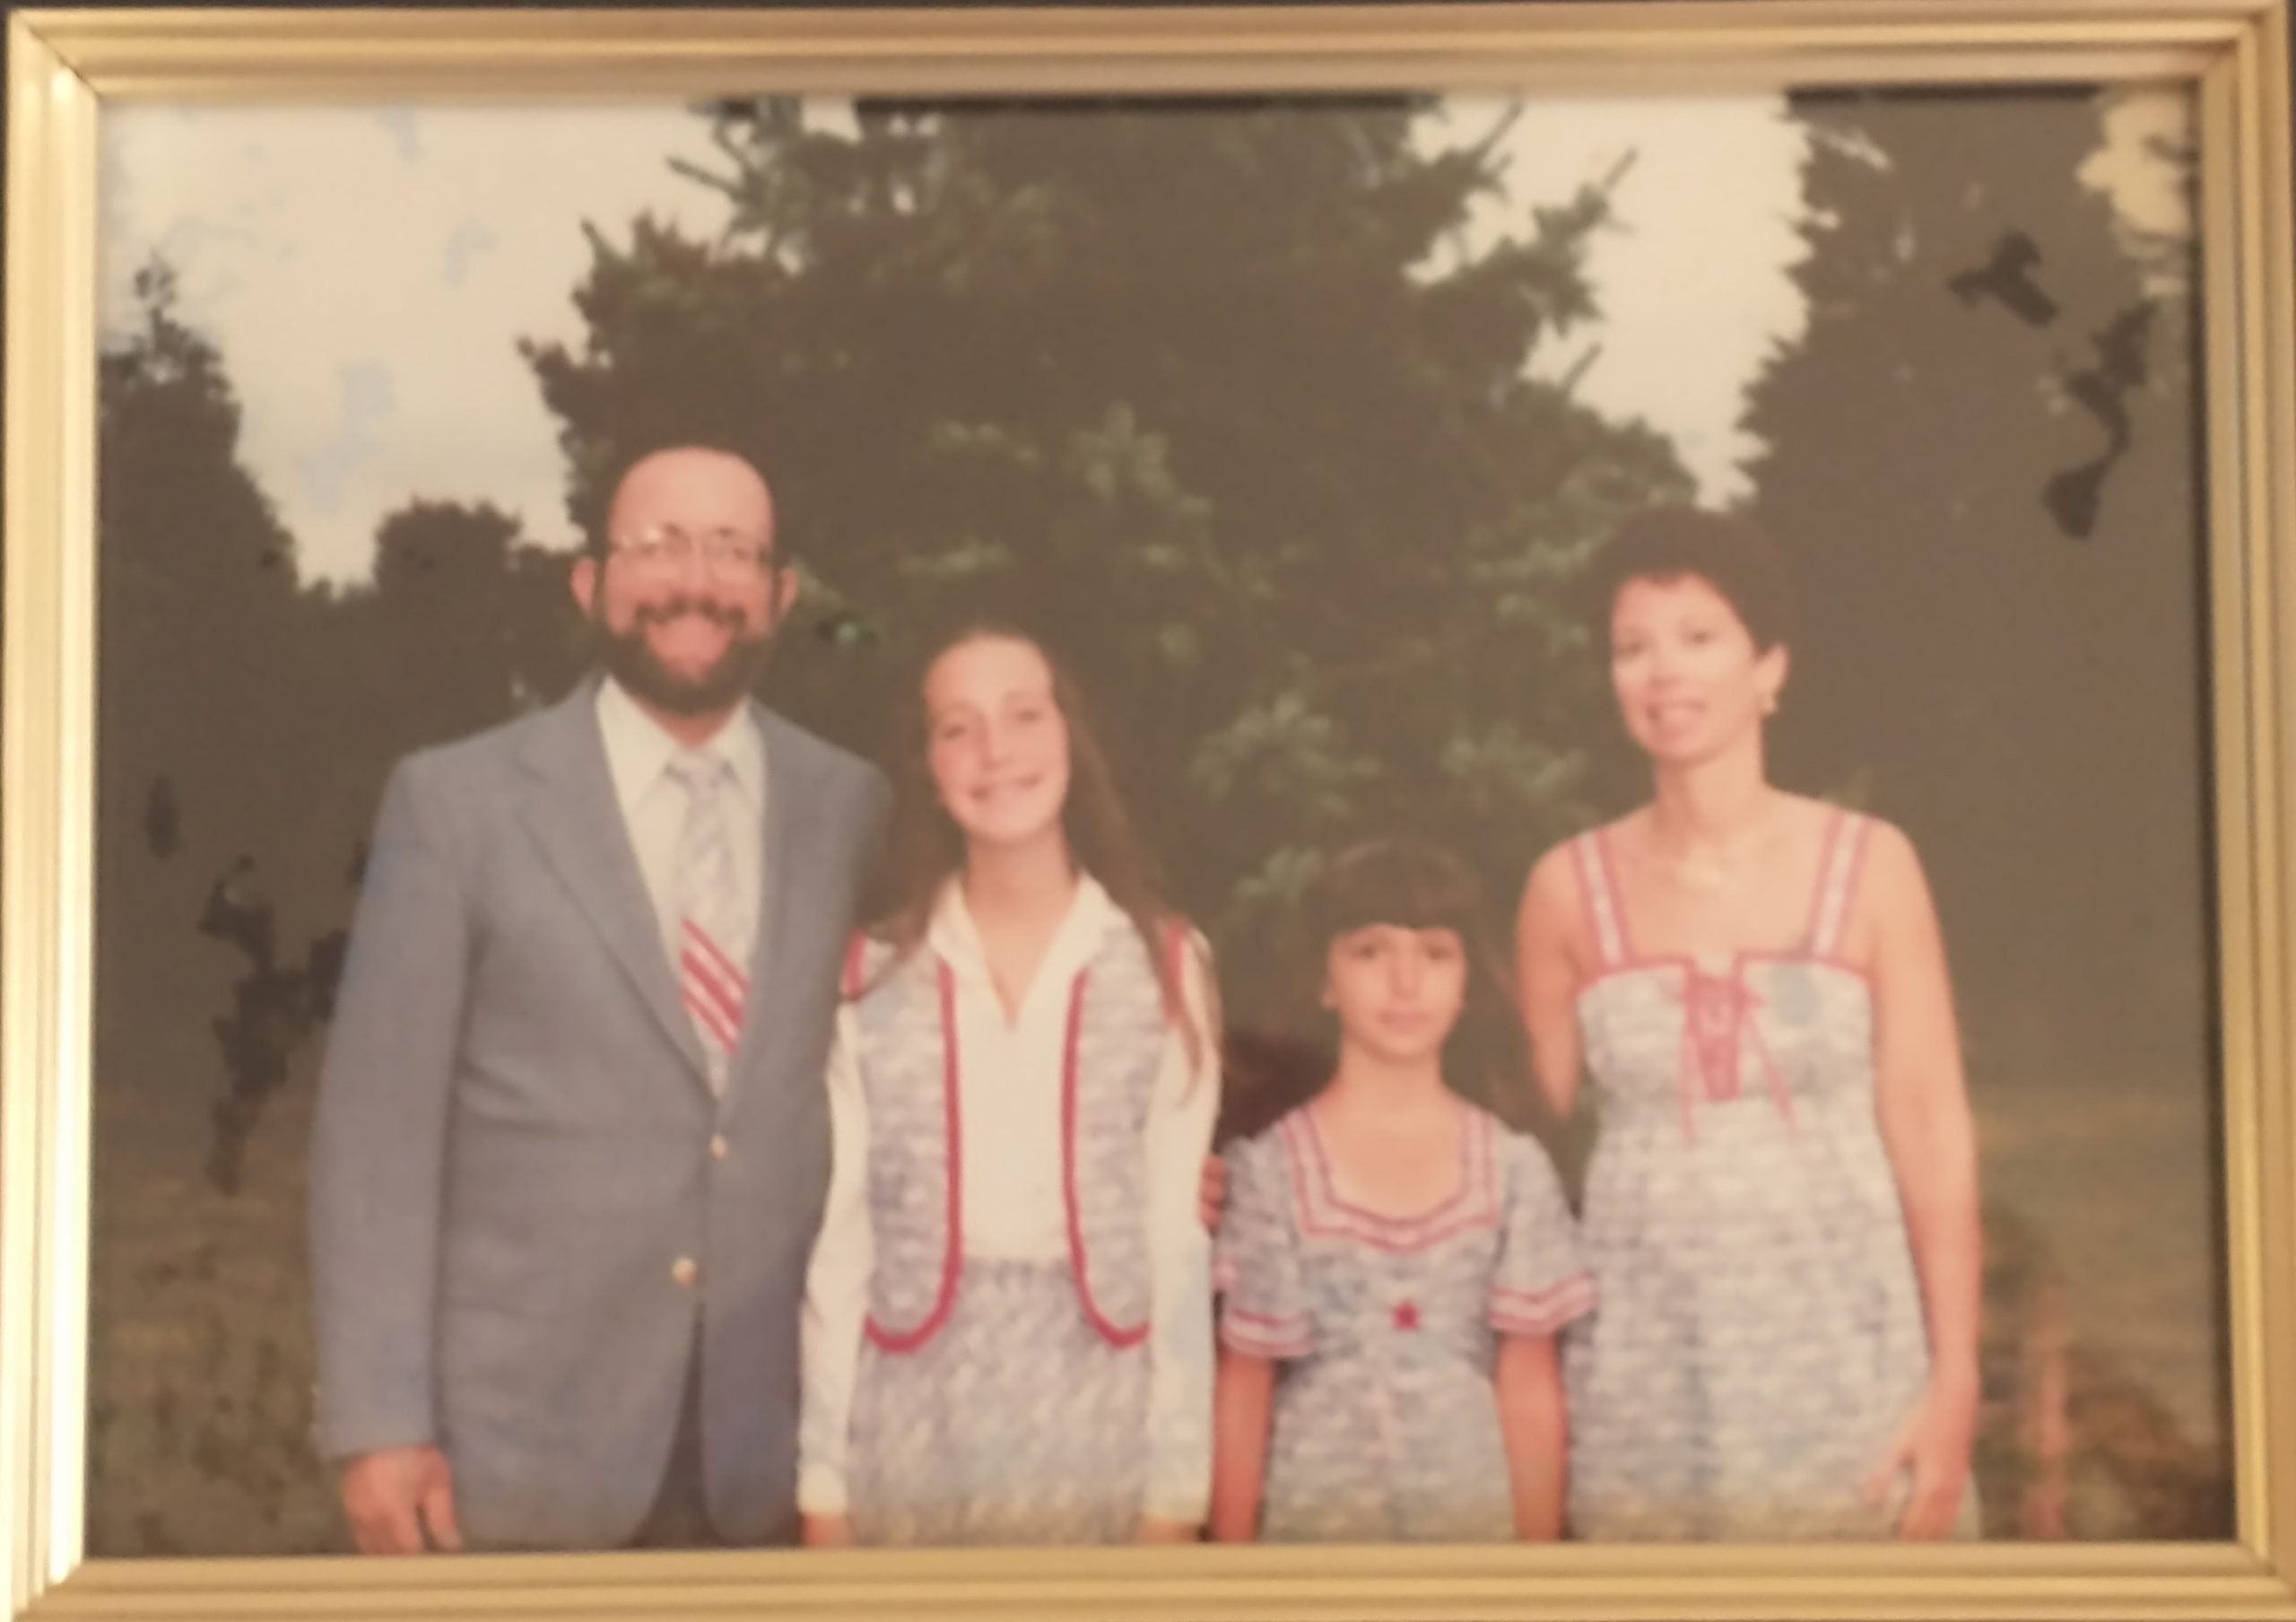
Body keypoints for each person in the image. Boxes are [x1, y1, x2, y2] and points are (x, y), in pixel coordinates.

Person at [309, 445, 891, 1553]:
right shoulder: (456, 803)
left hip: (768, 1457)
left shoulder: (850, 806)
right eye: (657, 544)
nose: (695, 581)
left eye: (733, 549)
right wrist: (380, 1420)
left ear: (781, 595)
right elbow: (376, 1140)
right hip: (518, 1453)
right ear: (590, 583)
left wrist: (1146, 1164)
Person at [1514, 504, 1982, 1541]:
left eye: (1698, 637)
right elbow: (1510, 1162)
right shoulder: (1563, 890)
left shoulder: (1871, 864)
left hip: (1850, 1376)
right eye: (1631, 646)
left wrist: (1952, 1388)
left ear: (1769, 666)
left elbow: (1932, 1132)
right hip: (1640, 1394)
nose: (1662, 670)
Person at [796, 624, 1222, 1547]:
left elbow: (1174, 1240)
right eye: (959, 727)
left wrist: (1175, 1495)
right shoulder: (869, 971)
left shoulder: (1166, 964)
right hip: (911, 1414)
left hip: (1100, 1410)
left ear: (1069, 733)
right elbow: (841, 1237)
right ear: (929, 769)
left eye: (1024, 714)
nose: (997, 750)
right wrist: (824, 1485)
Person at [1208, 837, 1589, 1544]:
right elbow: (1246, 1384)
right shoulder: (1271, 1170)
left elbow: (1529, 1388)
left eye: (1436, 954)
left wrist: (1536, 1572)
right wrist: (1231, 1574)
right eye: (1372, 952)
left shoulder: (1512, 1168)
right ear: (1325, 980)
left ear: (1468, 982)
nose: (1406, 983)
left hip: (1470, 1526)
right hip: (1314, 1532)